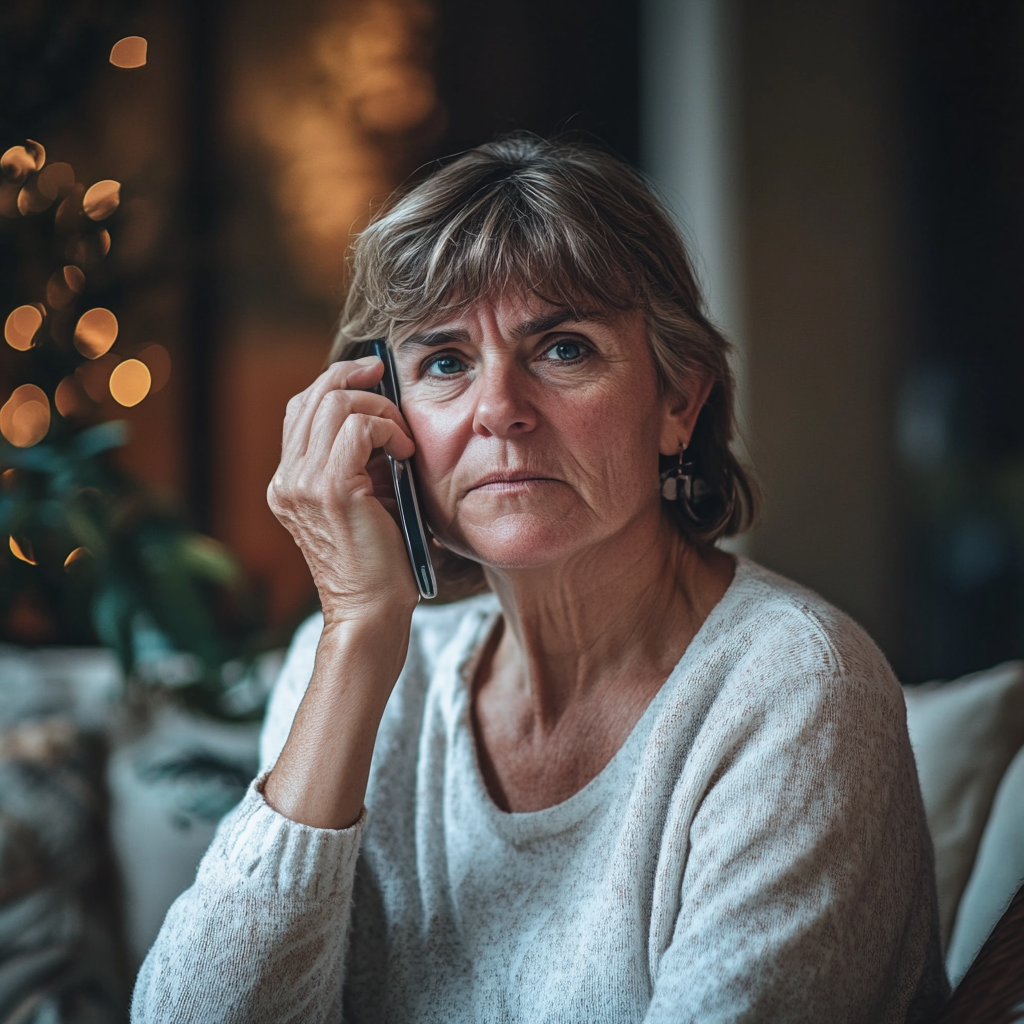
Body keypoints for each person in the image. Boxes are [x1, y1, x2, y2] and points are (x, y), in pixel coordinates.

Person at [133, 135, 949, 1023]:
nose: (499, 412)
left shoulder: (796, 687)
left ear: (680, 402)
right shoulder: (358, 666)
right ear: (381, 420)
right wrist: (358, 633)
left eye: (563, 349)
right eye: (444, 362)